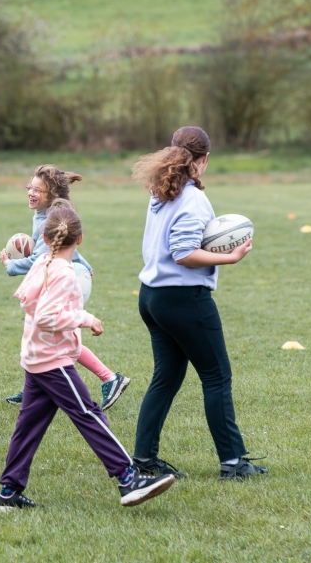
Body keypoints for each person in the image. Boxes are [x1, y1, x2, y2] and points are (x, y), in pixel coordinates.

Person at [0, 205, 175, 510]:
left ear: (44, 237)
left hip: (37, 357)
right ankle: (128, 478)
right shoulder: (63, 272)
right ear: (80, 240)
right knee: (89, 414)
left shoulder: (42, 263)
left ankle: (8, 493)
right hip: (53, 361)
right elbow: (47, 317)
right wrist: (84, 318)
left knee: (29, 426)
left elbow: (29, 304)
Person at [130, 126, 267, 481]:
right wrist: (231, 257)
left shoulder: (160, 190)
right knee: (216, 376)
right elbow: (184, 253)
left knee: (166, 378)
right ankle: (234, 463)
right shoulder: (192, 199)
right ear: (204, 160)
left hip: (152, 296)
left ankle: (144, 461)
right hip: (183, 299)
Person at [0, 165, 129, 410]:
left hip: (70, 279)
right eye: (30, 187)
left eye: (38, 190)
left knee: (54, 333)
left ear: (51, 194)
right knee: (48, 334)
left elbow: (42, 257)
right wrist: (86, 263)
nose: (31, 193)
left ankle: (109, 378)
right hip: (70, 274)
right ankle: (35, 386)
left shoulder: (50, 218)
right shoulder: (45, 214)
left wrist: (11, 265)